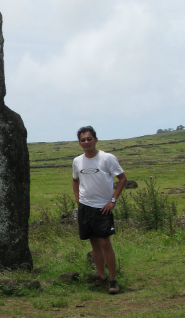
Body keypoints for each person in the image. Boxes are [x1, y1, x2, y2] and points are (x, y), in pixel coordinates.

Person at [72, 126, 127, 294]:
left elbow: (123, 179)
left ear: (95, 140)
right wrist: (78, 199)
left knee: (105, 242)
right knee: (94, 242)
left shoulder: (107, 158)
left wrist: (113, 201)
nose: (86, 142)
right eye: (83, 140)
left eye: (89, 139)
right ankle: (101, 276)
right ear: (79, 142)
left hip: (103, 207)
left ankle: (113, 280)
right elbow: (75, 180)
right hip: (85, 207)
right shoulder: (77, 161)